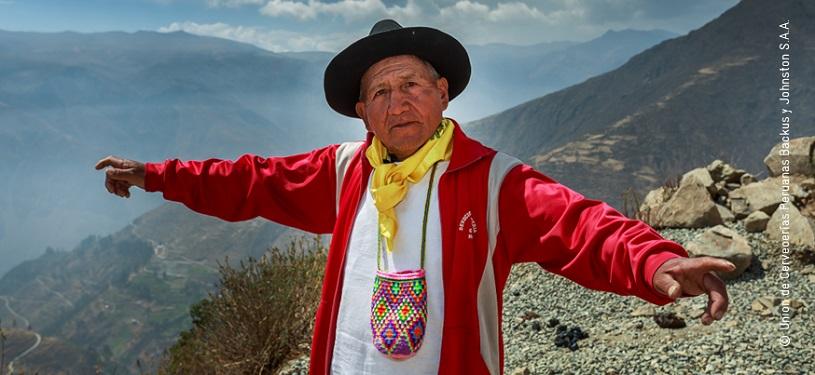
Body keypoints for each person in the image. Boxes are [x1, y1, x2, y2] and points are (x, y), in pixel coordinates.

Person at [95, 19, 735, 375]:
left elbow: (584, 226)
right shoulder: (345, 170)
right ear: (362, 112)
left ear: (444, 94)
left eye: (413, 85)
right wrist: (157, 175)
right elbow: (250, 180)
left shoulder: (494, 182)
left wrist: (657, 262)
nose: (398, 101)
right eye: (380, 92)